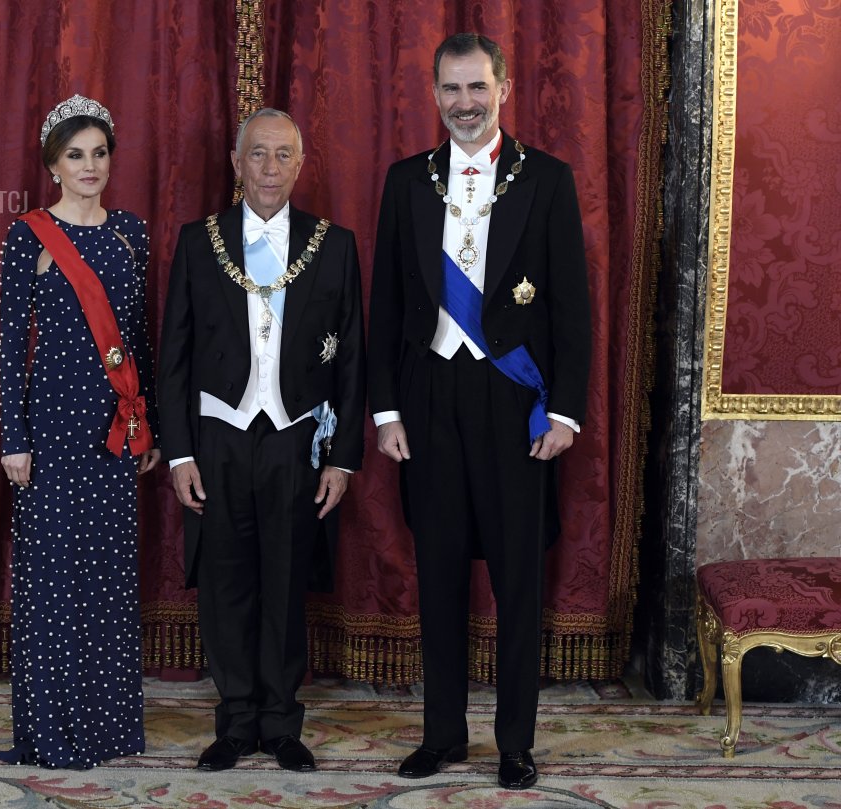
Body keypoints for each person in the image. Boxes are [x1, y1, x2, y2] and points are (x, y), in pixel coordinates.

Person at [367, 34, 592, 790]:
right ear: (433, 95)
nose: (465, 103)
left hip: (512, 399)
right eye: (452, 90)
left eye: (478, 87)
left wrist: (564, 411)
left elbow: (572, 311)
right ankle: (442, 735)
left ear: (504, 89)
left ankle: (515, 743)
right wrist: (386, 410)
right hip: (429, 398)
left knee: (518, 579)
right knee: (438, 574)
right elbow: (389, 305)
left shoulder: (548, 181)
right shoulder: (407, 182)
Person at [157, 108, 365, 773]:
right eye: (258, 155)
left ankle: (281, 723)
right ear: (235, 160)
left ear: (301, 165)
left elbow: (355, 359)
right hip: (218, 435)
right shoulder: (199, 240)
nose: (270, 169)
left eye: (283, 156)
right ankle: (236, 720)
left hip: (296, 438)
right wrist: (181, 452)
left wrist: (344, 458)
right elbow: (174, 357)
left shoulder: (334, 244)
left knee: (285, 580)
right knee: (226, 585)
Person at [0, 93, 161, 769]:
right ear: (53, 165)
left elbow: (140, 340)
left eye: (99, 154)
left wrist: (149, 425)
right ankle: (52, 730)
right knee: (54, 582)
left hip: (115, 429)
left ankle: (108, 729)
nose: (89, 167)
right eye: (75, 156)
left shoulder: (132, 232)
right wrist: (14, 436)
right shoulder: (28, 236)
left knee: (107, 581)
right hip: (53, 430)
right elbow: (9, 344)